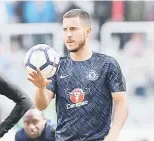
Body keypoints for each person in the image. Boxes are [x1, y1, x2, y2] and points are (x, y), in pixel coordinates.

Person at [27, 9, 128, 141]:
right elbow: (41, 105)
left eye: (73, 29)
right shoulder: (56, 66)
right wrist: (40, 88)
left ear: (88, 31)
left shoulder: (107, 64)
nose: (68, 34)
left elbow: (121, 102)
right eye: (65, 29)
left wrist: (114, 134)